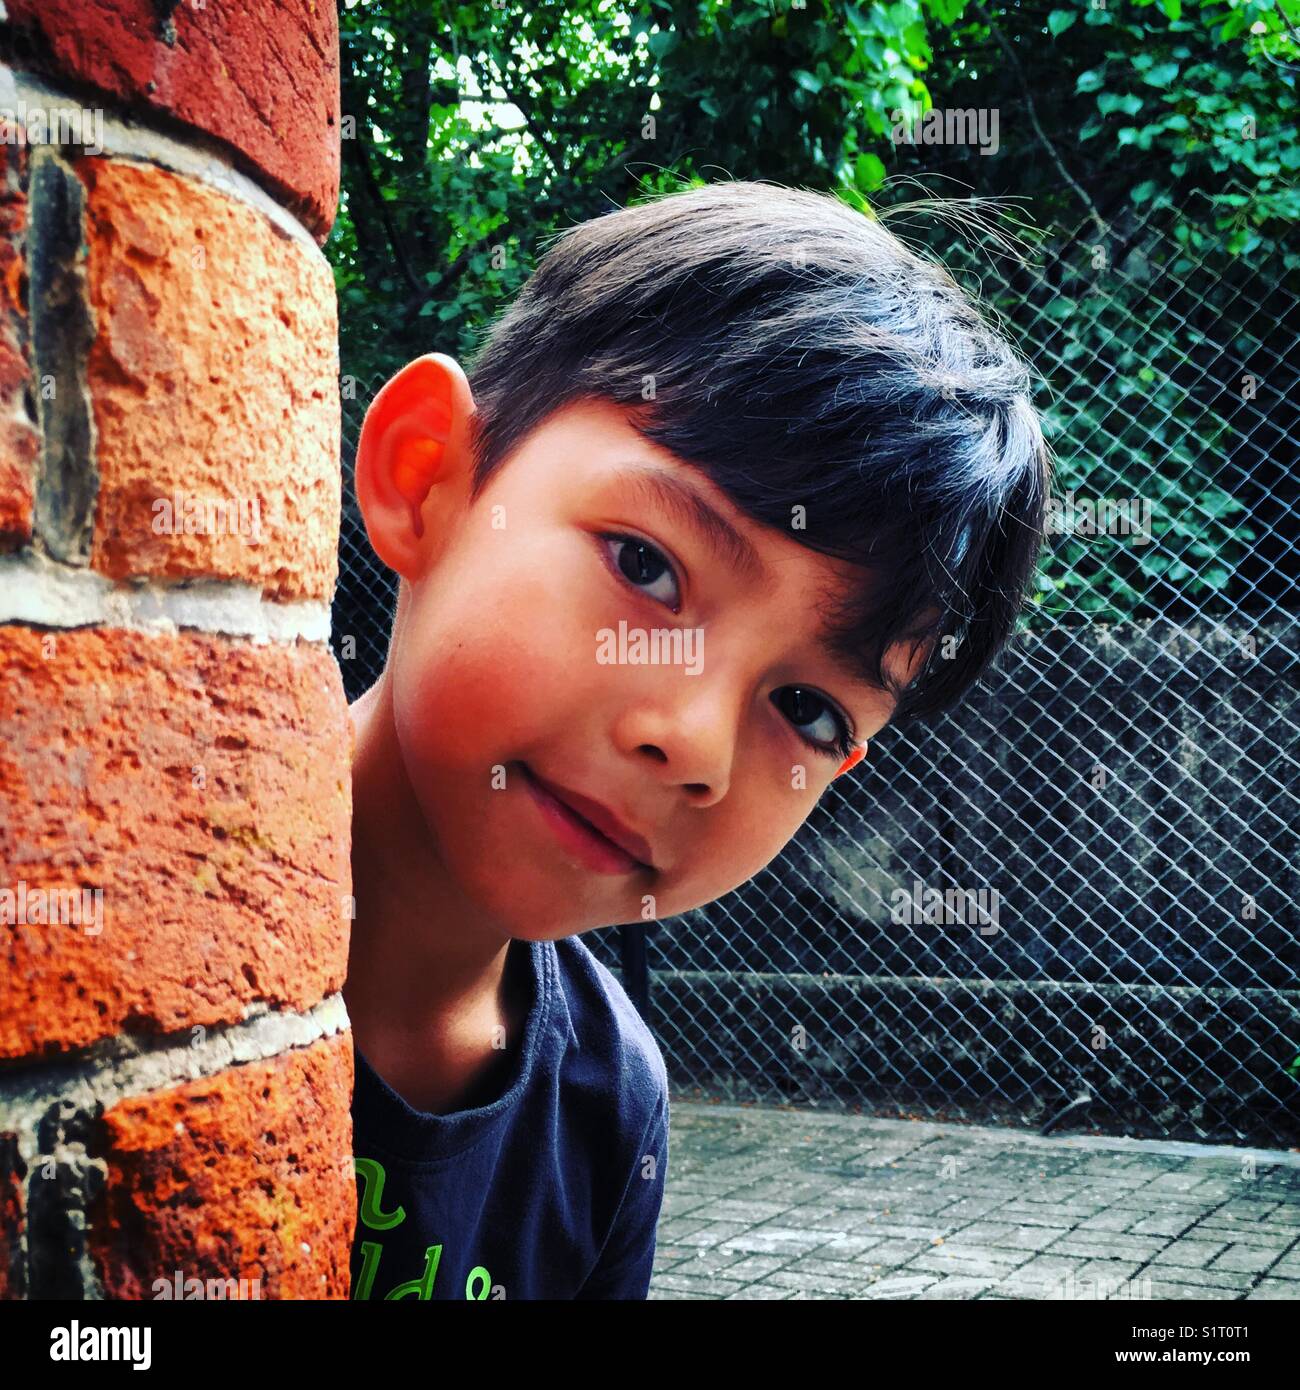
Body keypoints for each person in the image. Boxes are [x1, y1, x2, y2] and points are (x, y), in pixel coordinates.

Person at [343, 179, 1051, 1300]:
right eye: (646, 565)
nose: (695, 743)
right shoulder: (101, 896)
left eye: (809, 710)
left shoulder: (610, 1108)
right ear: (425, 474)